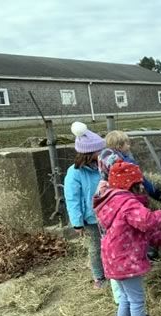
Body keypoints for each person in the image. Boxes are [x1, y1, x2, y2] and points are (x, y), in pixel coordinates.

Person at [93, 161, 161, 316]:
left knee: (125, 298)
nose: (142, 186)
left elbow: (144, 235)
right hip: (126, 260)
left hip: (112, 259)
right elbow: (147, 222)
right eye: (139, 183)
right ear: (131, 184)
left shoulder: (111, 201)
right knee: (137, 299)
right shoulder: (128, 203)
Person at [64, 121, 107, 289]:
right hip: (91, 218)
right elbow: (72, 198)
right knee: (95, 247)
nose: (102, 152)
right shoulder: (74, 173)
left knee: (110, 244)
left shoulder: (102, 166)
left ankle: (112, 270)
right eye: (99, 150)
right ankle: (99, 276)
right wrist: (77, 222)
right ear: (89, 153)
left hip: (108, 214)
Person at [97, 130, 161, 200]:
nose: (129, 146)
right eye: (127, 144)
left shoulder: (102, 161)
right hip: (132, 195)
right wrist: (156, 192)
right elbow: (141, 179)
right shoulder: (127, 163)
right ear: (119, 146)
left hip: (114, 196)